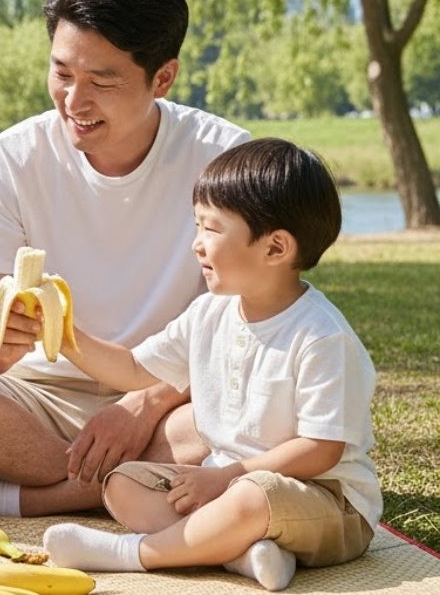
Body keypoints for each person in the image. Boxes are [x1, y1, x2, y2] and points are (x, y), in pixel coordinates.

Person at [0, 0, 250, 517]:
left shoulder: (227, 159)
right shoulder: (12, 158)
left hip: (170, 405)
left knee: (264, 403)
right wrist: (1, 340)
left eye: (102, 80)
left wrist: (142, 404)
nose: (74, 102)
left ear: (162, 77)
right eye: (62, 73)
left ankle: (35, 496)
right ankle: (97, 484)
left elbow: (243, 329)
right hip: (29, 403)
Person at [42, 138, 380, 592]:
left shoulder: (321, 336)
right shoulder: (209, 314)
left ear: (276, 248)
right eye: (196, 227)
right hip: (223, 481)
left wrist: (226, 478)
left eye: (212, 229)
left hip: (324, 499)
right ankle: (239, 552)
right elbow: (133, 370)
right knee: (123, 483)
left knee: (250, 499)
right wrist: (62, 334)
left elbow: (322, 449)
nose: (197, 245)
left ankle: (135, 554)